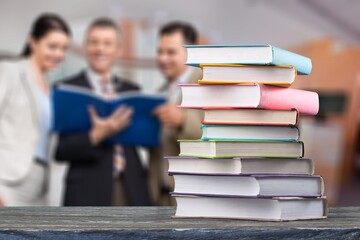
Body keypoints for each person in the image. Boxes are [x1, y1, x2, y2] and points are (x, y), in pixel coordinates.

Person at [55, 18, 151, 206]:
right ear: (85, 46)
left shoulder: (132, 90)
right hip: (87, 190)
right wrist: (96, 135)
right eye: (94, 42)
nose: (100, 49)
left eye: (108, 43)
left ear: (118, 49)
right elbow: (61, 150)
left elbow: (144, 141)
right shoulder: (67, 89)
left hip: (131, 188)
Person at [0, 13, 71, 206]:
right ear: (33, 41)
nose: (59, 54)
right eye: (52, 46)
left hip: (39, 185)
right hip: (7, 180)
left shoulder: (51, 89)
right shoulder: (10, 70)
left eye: (64, 48)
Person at [150, 22, 203, 205]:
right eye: (160, 51)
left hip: (194, 195)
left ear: (190, 52)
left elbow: (221, 134)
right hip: (161, 197)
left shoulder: (206, 83)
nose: (163, 58)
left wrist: (182, 119)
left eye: (171, 52)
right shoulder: (159, 92)